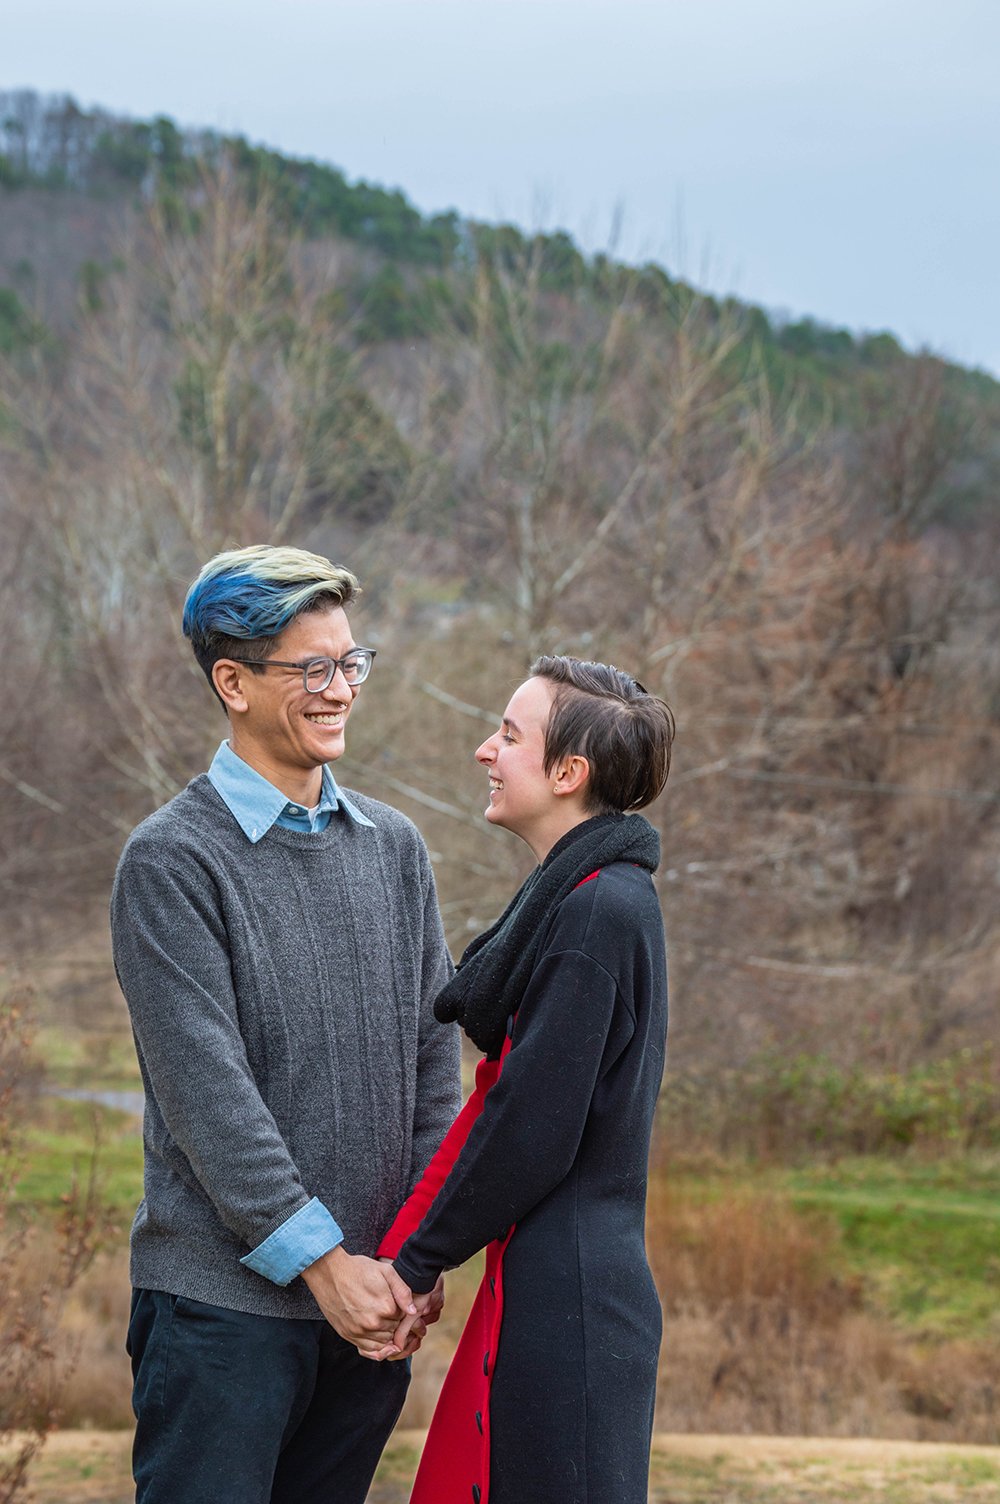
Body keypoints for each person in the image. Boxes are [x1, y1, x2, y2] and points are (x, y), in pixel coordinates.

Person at [110, 544, 461, 1504]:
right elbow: (206, 1094)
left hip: (373, 1312)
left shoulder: (394, 848)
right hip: (223, 1316)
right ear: (232, 682)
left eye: (351, 662)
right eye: (312, 668)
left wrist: (412, 1252)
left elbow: (435, 1056)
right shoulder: (172, 863)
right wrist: (322, 1265)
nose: (340, 688)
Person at [376, 655, 675, 1504]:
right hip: (550, 1286)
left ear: (568, 774)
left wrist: (414, 1263)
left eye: (510, 736)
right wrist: (412, 1252)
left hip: (571, 1310)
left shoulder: (596, 913)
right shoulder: (592, 900)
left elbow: (529, 1127)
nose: (485, 750)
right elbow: (503, 1103)